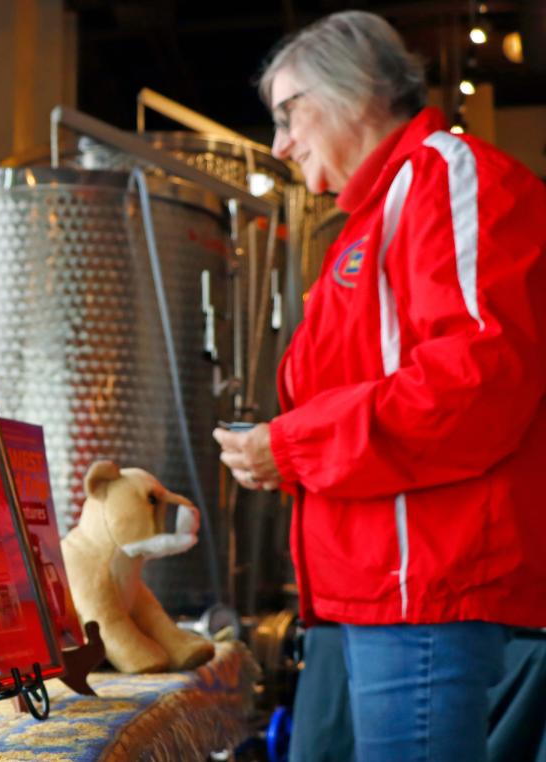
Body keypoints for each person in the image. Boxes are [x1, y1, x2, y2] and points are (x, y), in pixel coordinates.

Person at [213, 11, 546, 761]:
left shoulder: (444, 175)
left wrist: (289, 447)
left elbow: (476, 383)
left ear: (355, 92)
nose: (280, 144)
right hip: (371, 590)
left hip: (424, 585)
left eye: (289, 113)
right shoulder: (366, 226)